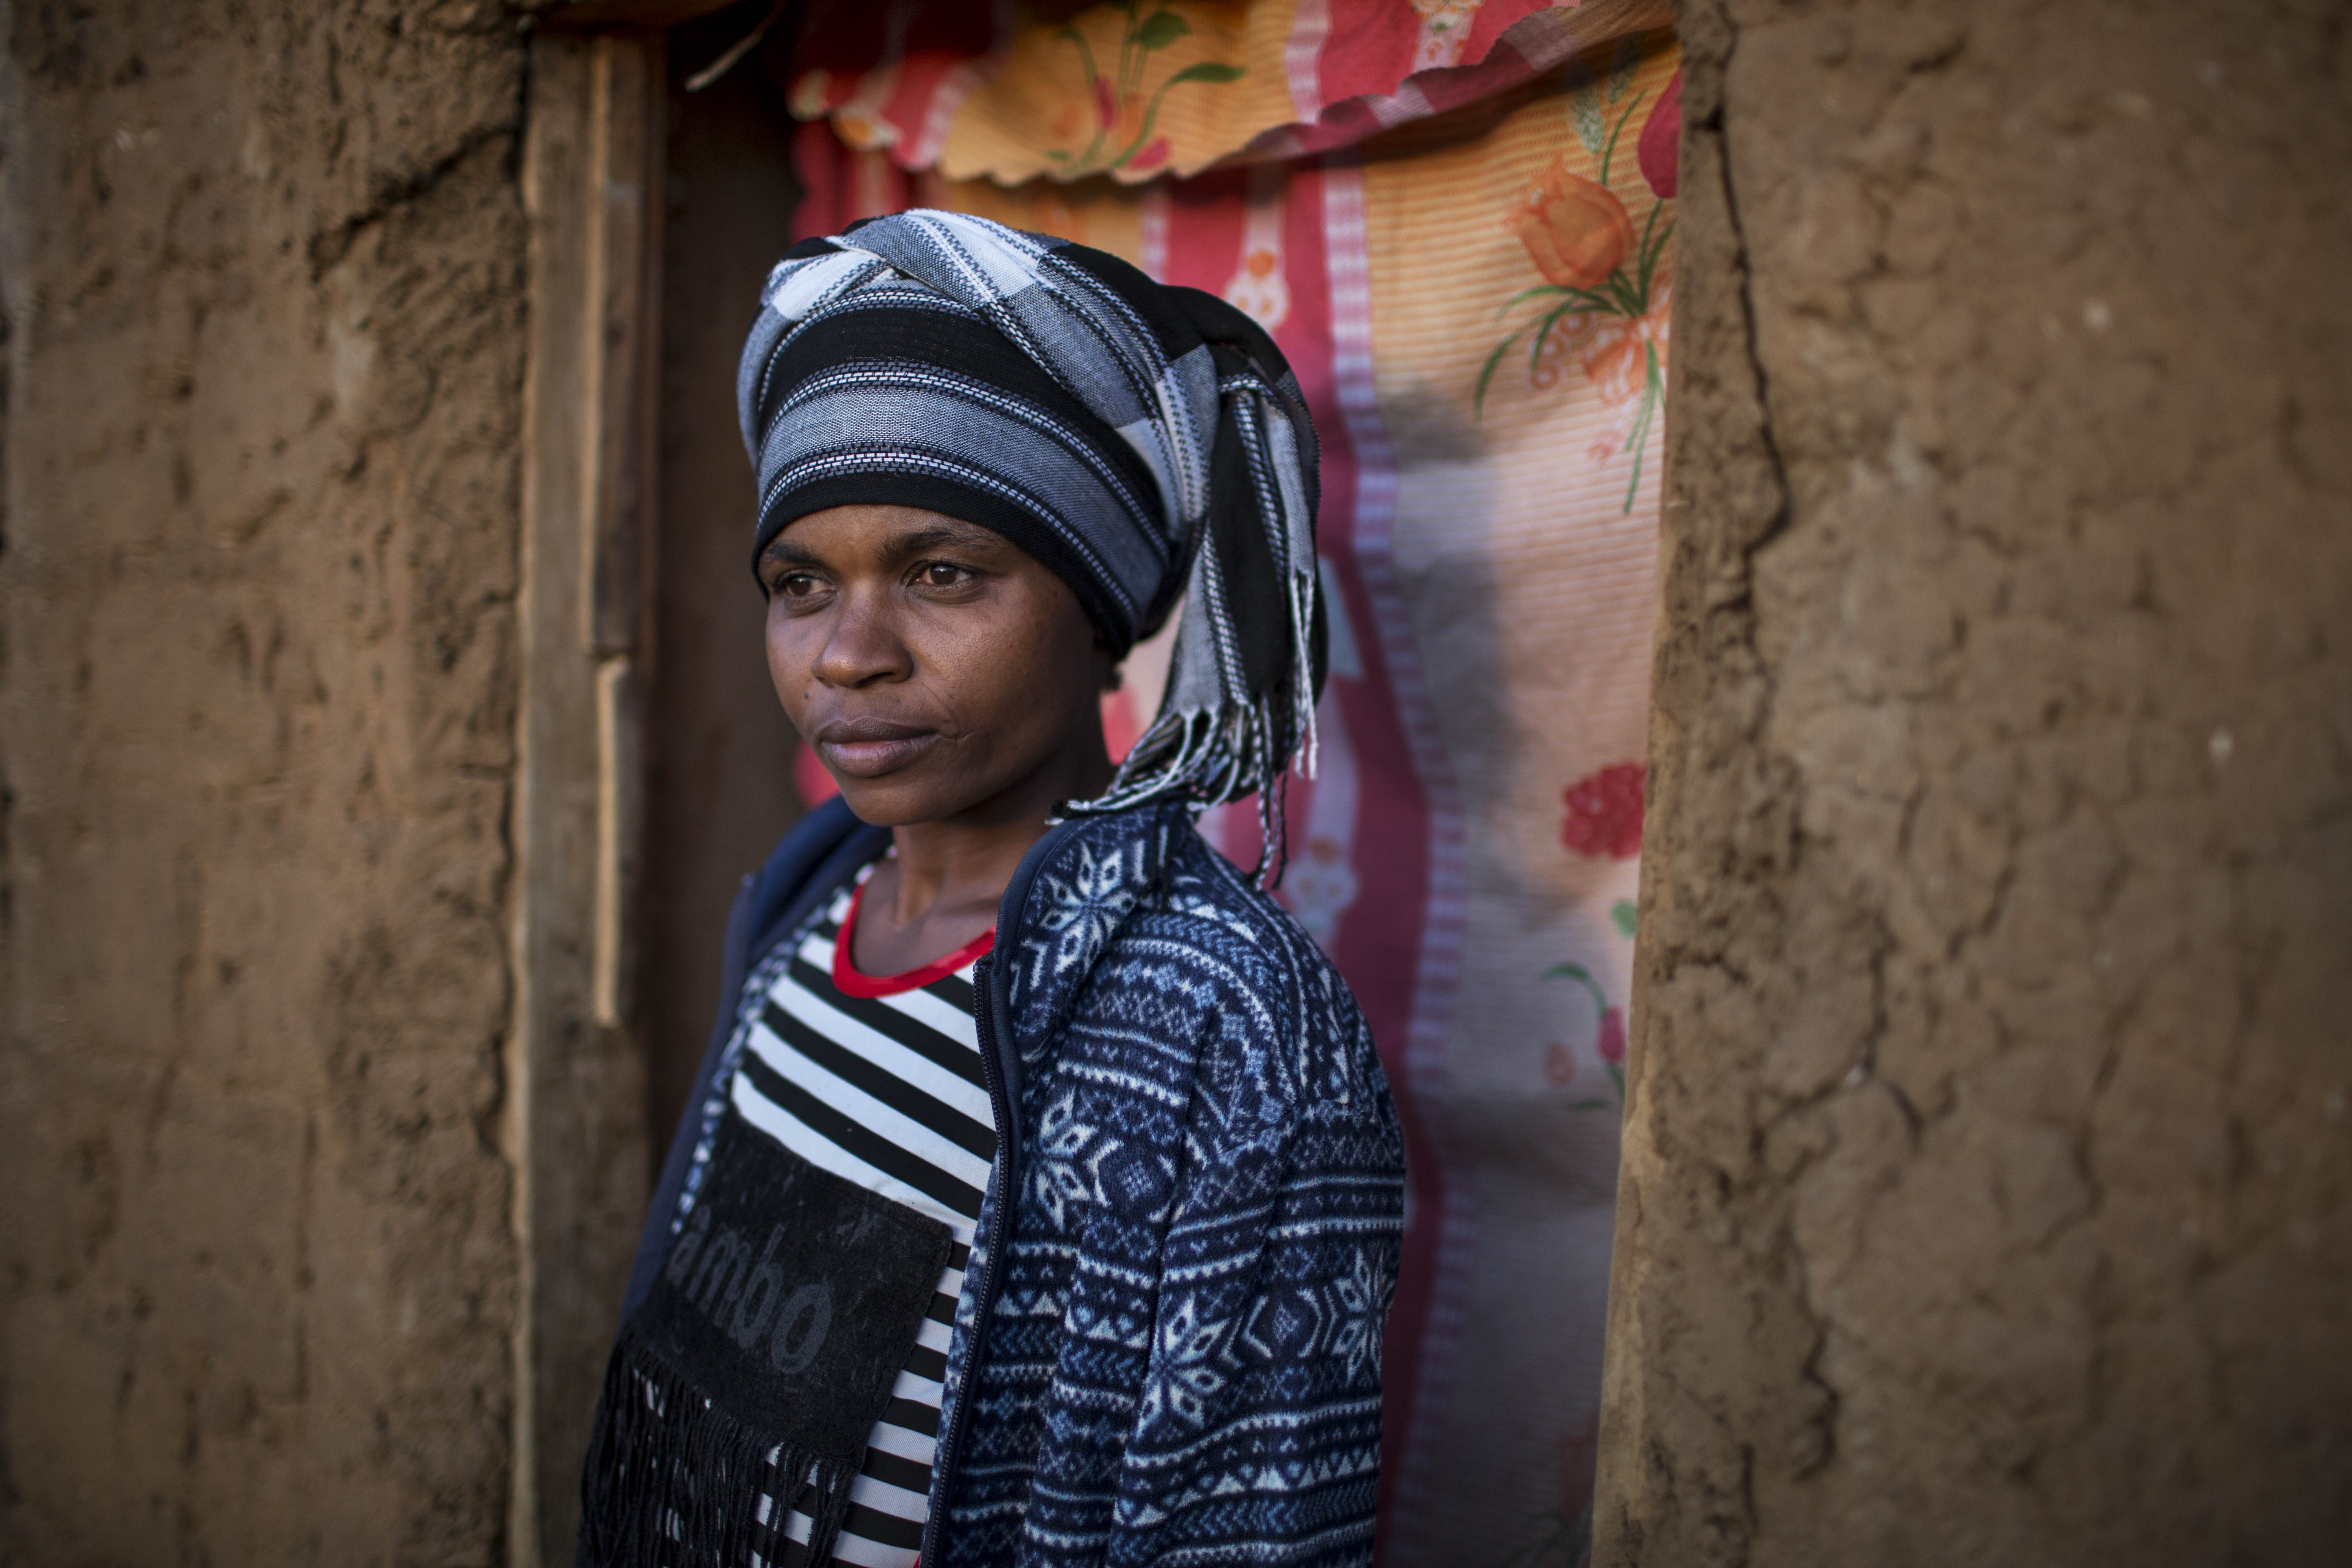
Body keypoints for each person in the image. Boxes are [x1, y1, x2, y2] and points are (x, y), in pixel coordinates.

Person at [578, 210, 1405, 1568]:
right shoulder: (805, 911)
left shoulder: (1228, 1028)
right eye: (800, 584)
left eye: (941, 572)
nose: (849, 656)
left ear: (1093, 608)